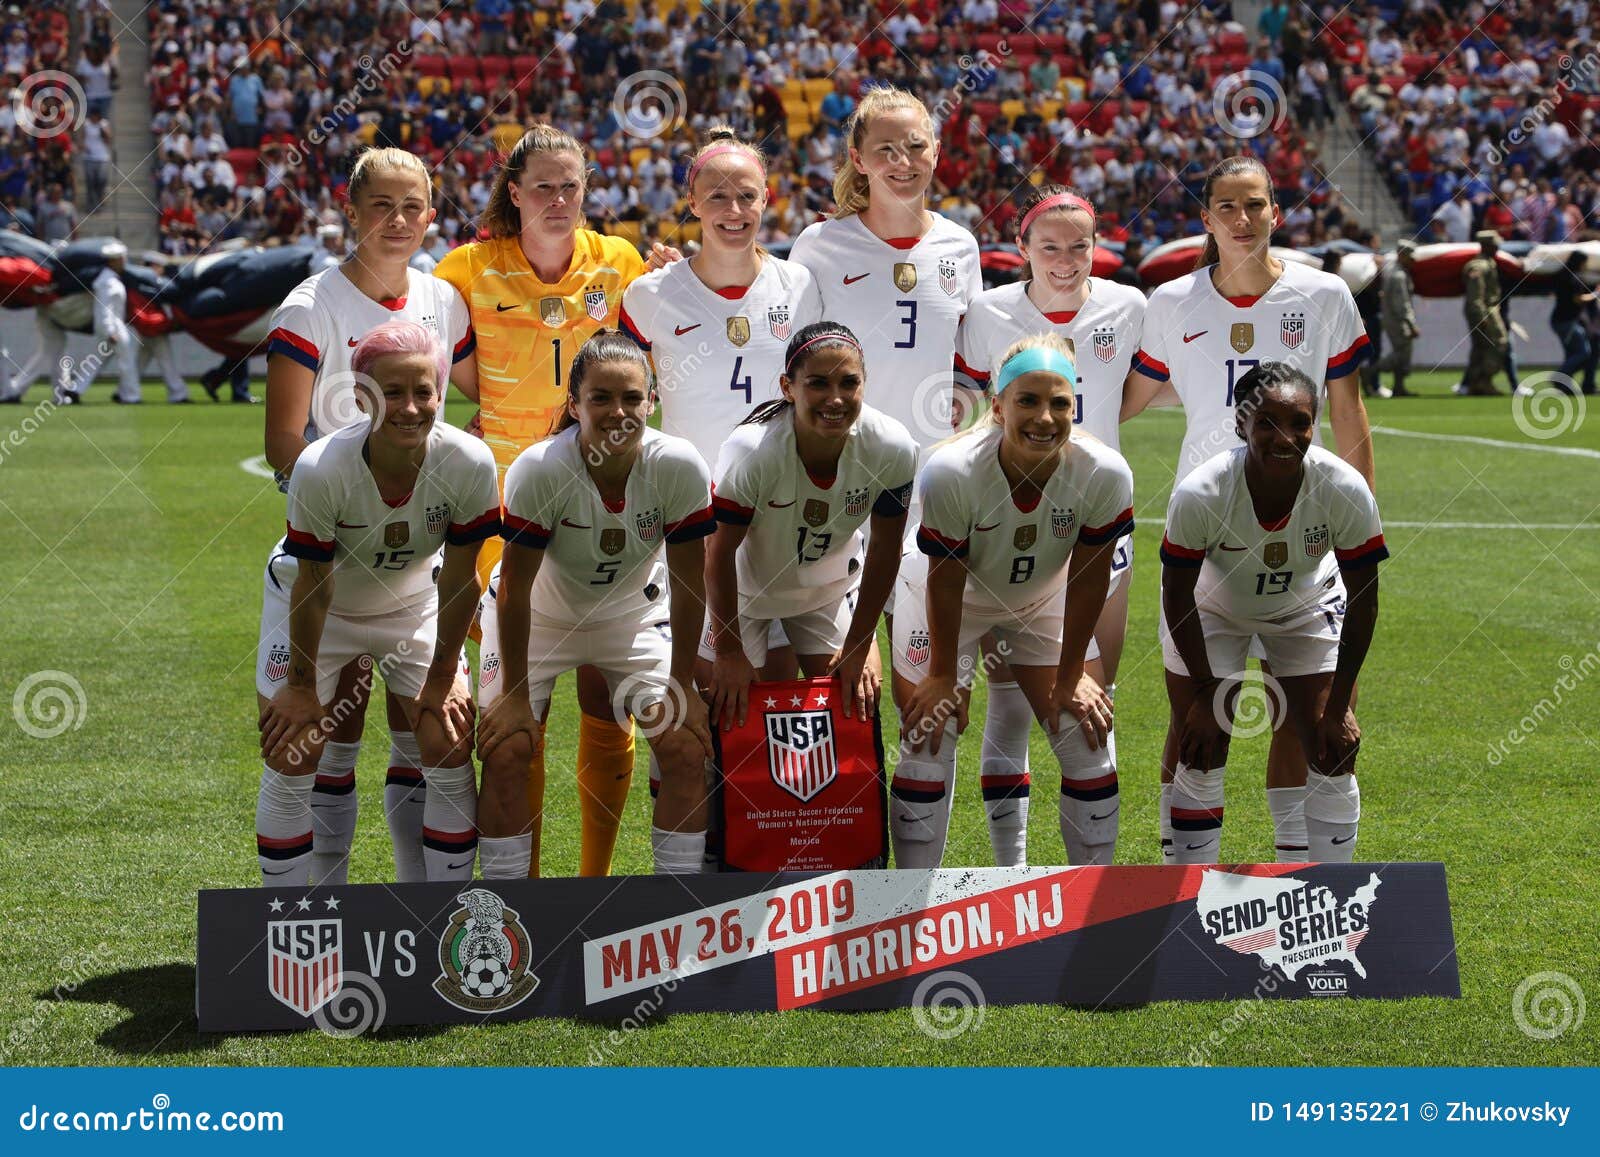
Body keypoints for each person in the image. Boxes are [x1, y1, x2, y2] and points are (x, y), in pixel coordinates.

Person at [1122, 154, 1373, 864]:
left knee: (1306, 717)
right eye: (1227, 206)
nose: (1242, 218)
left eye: (1255, 205)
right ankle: (1181, 878)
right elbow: (1125, 403)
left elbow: (1351, 418)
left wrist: (1359, 522)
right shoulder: (1170, 303)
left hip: (1303, 532)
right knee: (1196, 718)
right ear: (1205, 218)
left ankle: (1298, 875)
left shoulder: (1324, 295)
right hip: (1203, 539)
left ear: (1275, 212)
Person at [435, 123, 655, 879]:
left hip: (602, 496)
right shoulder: (464, 269)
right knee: (519, 708)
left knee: (604, 689)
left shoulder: (621, 263)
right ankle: (523, 890)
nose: (559, 199)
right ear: (514, 191)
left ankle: (592, 880)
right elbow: (444, 369)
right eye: (543, 186)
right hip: (502, 507)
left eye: (572, 186)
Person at [262, 146, 477, 884]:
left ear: (431, 214)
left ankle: (423, 911)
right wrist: (354, 511)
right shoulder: (312, 303)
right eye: (379, 205)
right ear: (349, 212)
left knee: (428, 729)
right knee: (325, 731)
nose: (397, 220)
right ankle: (320, 908)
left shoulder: (444, 300)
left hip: (416, 560)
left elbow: (492, 383)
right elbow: (285, 441)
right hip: (330, 545)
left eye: (411, 206)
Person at [255, 320, 501, 886]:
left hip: (411, 606)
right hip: (320, 607)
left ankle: (441, 919)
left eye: (424, 392)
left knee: (445, 738)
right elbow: (313, 586)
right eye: (393, 392)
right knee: (293, 751)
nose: (411, 407)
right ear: (362, 395)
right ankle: (295, 923)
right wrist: (298, 684)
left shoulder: (470, 462)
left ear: (441, 394)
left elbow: (461, 579)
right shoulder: (321, 467)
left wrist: (444, 675)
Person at [474, 333, 716, 878]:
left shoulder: (678, 465)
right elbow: (514, 590)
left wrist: (682, 685)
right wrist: (513, 696)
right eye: (601, 398)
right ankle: (511, 921)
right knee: (508, 749)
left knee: (682, 746)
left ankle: (674, 919)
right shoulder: (541, 469)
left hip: (629, 619)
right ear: (573, 405)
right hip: (536, 621)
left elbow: (691, 580)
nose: (618, 412)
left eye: (632, 398)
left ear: (651, 401)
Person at [954, 184, 1145, 865]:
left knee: (1090, 704)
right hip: (1006, 524)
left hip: (1096, 520)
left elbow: (1132, 393)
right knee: (1005, 699)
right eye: (1050, 246)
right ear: (1023, 249)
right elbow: (972, 404)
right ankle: (1013, 871)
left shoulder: (1129, 306)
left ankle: (1085, 895)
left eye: (1079, 246)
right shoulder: (987, 312)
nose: (1065, 260)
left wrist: (1090, 449)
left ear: (1097, 248)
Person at [892, 334, 1134, 869]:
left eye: (1059, 402)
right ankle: (907, 918)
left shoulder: (1104, 472)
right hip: (945, 596)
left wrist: (1072, 671)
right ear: (998, 406)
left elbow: (1090, 576)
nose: (1044, 417)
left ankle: (1094, 915)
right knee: (930, 735)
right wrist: (940, 676)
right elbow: (946, 579)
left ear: (1076, 406)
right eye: (1027, 400)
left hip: (1041, 596)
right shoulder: (953, 471)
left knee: (1085, 738)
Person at [1159, 362, 1385, 864]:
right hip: (1212, 610)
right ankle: (1185, 900)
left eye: (1300, 423)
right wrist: (1205, 695)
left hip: (1305, 607)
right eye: (1267, 423)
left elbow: (1365, 597)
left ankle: (1329, 899)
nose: (1285, 438)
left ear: (1315, 422)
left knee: (1332, 748)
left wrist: (1340, 703)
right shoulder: (1202, 492)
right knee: (1202, 745)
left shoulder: (1344, 487)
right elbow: (1176, 594)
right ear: (1241, 424)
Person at [620, 126, 824, 683]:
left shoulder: (802, 286)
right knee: (703, 697)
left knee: (775, 696)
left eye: (747, 197)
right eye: (716, 197)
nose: (733, 210)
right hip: (691, 522)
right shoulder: (649, 295)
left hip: (778, 518)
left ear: (768, 199)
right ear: (692, 203)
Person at [701, 322, 916, 729]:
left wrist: (858, 644)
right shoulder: (752, 449)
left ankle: (838, 797)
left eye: (849, 382)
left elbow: (886, 549)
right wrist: (728, 650)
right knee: (722, 717)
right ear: (788, 387)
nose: (835, 399)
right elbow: (719, 551)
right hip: (742, 594)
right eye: (818, 383)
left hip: (828, 589)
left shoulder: (891, 445)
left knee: (855, 708)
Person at [788, 86, 983, 456]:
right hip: (841, 464)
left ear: (937, 152)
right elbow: (783, 345)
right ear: (858, 159)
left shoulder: (961, 247)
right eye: (886, 150)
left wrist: (965, 393)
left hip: (934, 467)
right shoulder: (819, 245)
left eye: (915, 147)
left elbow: (971, 349)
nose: (903, 162)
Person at [1460, 230, 1509, 397]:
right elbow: (1476, 296)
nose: (1497, 248)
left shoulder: (1487, 263)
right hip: (1484, 311)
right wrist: (1482, 317)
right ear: (1487, 246)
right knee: (1499, 343)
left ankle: (1477, 383)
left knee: (1481, 348)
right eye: (1495, 245)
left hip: (1484, 310)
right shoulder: (1479, 266)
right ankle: (1483, 380)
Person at [1550, 250, 1596, 393]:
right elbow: (1578, 299)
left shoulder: (1562, 276)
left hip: (1559, 320)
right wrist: (1595, 294)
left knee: (1572, 353)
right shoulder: (1573, 278)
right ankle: (1560, 377)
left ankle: (1564, 384)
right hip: (1567, 321)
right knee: (1583, 353)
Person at [1379, 240, 1419, 397]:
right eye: (1409, 256)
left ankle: (1399, 387)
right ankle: (1371, 371)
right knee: (1401, 353)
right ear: (1401, 255)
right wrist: (1411, 323)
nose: (1412, 260)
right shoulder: (1398, 276)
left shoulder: (1394, 271)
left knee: (1402, 352)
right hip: (1397, 320)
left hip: (1394, 318)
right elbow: (1401, 304)